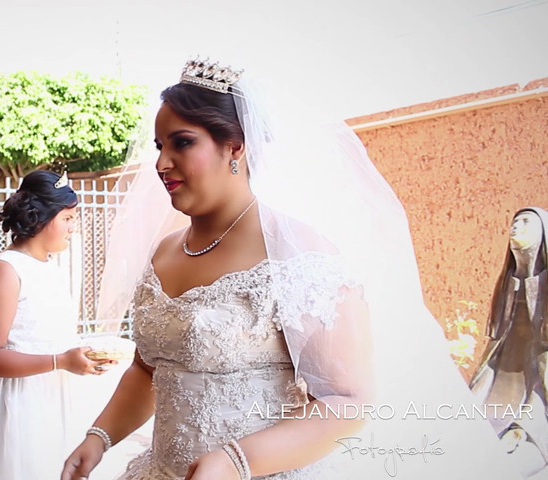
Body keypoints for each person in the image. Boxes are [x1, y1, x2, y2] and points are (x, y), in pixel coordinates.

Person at [61, 58, 522, 480]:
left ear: (234, 146)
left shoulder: (299, 253)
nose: (162, 163)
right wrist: (99, 437)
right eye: (161, 145)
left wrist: (234, 461)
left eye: (182, 143)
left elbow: (347, 402)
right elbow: (147, 369)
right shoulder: (164, 251)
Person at [0, 170, 115, 480]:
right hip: (16, 405)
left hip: (50, 399)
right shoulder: (6, 270)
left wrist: (82, 356)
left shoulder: (50, 268)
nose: (72, 227)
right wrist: (61, 361)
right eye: (67, 218)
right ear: (41, 218)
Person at [471, 207, 548, 477]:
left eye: (526, 222)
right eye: (514, 222)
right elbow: (497, 344)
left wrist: (523, 425)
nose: (515, 227)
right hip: (503, 376)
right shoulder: (509, 283)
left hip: (534, 388)